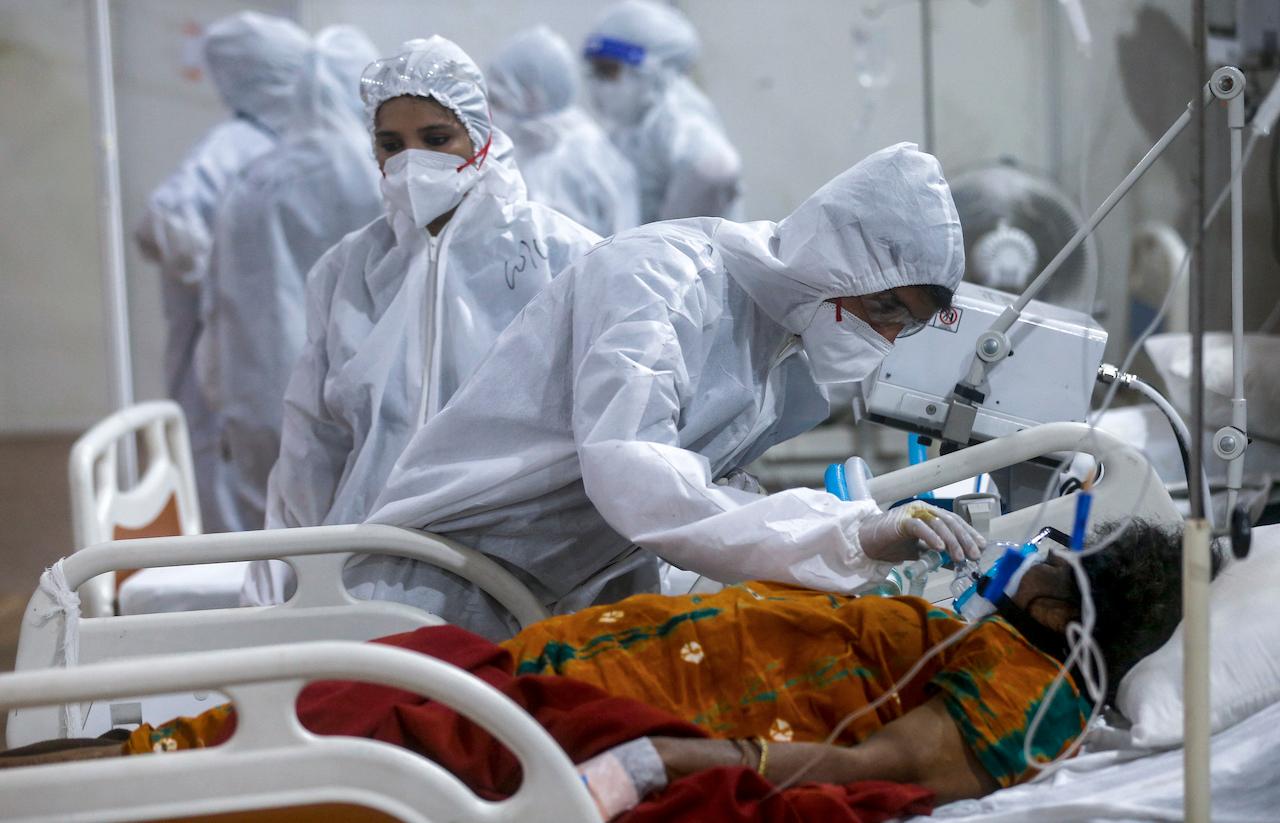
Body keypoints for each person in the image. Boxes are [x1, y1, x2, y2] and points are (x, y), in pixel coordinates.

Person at [105, 520, 1207, 818]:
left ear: (1059, 606)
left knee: (387, 719)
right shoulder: (1006, 643)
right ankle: (138, 761)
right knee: (381, 684)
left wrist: (667, 759)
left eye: (1048, 558)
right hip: (579, 668)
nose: (1026, 557)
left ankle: (138, 776)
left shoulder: (1027, 692)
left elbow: (880, 765)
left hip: (618, 717)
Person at [359, 142, 980, 640]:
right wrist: (848, 536)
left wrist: (838, 543)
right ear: (838, 259)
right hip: (436, 587)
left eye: (906, 324)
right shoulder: (665, 277)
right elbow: (636, 474)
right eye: (885, 307)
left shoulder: (777, 347)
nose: (885, 335)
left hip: (543, 599)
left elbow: (706, 491)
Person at [241, 37, 602, 605]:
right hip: (370, 564)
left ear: (480, 136)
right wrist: (284, 587)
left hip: (526, 570)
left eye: (436, 140)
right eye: (392, 144)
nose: (412, 161)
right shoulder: (348, 271)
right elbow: (312, 444)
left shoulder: (561, 255)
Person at [134, 11, 309, 532]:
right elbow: (164, 222)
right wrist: (232, 281)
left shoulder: (292, 144)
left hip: (270, 361)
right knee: (233, 511)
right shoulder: (232, 145)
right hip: (228, 369)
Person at [204, 25, 383, 530]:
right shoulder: (376, 178)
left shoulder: (254, 179)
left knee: (268, 543)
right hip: (351, 402)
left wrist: (219, 390)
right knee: (351, 543)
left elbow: (218, 303)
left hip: (256, 393)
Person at [583, 0, 742, 224]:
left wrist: (672, 234)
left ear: (650, 68)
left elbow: (715, 168)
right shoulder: (632, 127)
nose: (597, 83)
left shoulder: (674, 115)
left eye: (608, 70)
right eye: (595, 71)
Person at [487, 25, 640, 237]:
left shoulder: (580, 157)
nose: (492, 112)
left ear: (532, 95)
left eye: (498, 100)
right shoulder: (528, 145)